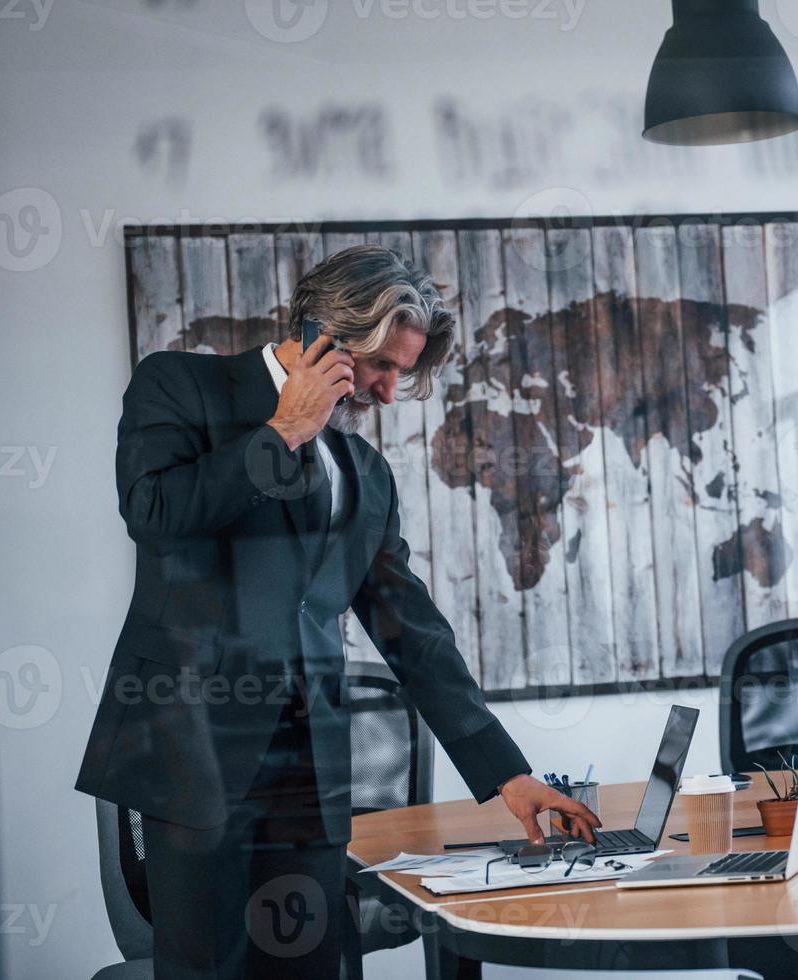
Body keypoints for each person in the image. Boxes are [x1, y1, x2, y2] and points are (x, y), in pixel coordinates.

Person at [76, 244, 600, 978]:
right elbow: (155, 513)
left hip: (310, 777)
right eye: (382, 366)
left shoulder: (366, 475)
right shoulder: (181, 386)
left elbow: (413, 634)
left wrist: (505, 773)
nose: (388, 393)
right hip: (192, 758)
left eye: (401, 374)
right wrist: (282, 431)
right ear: (324, 331)